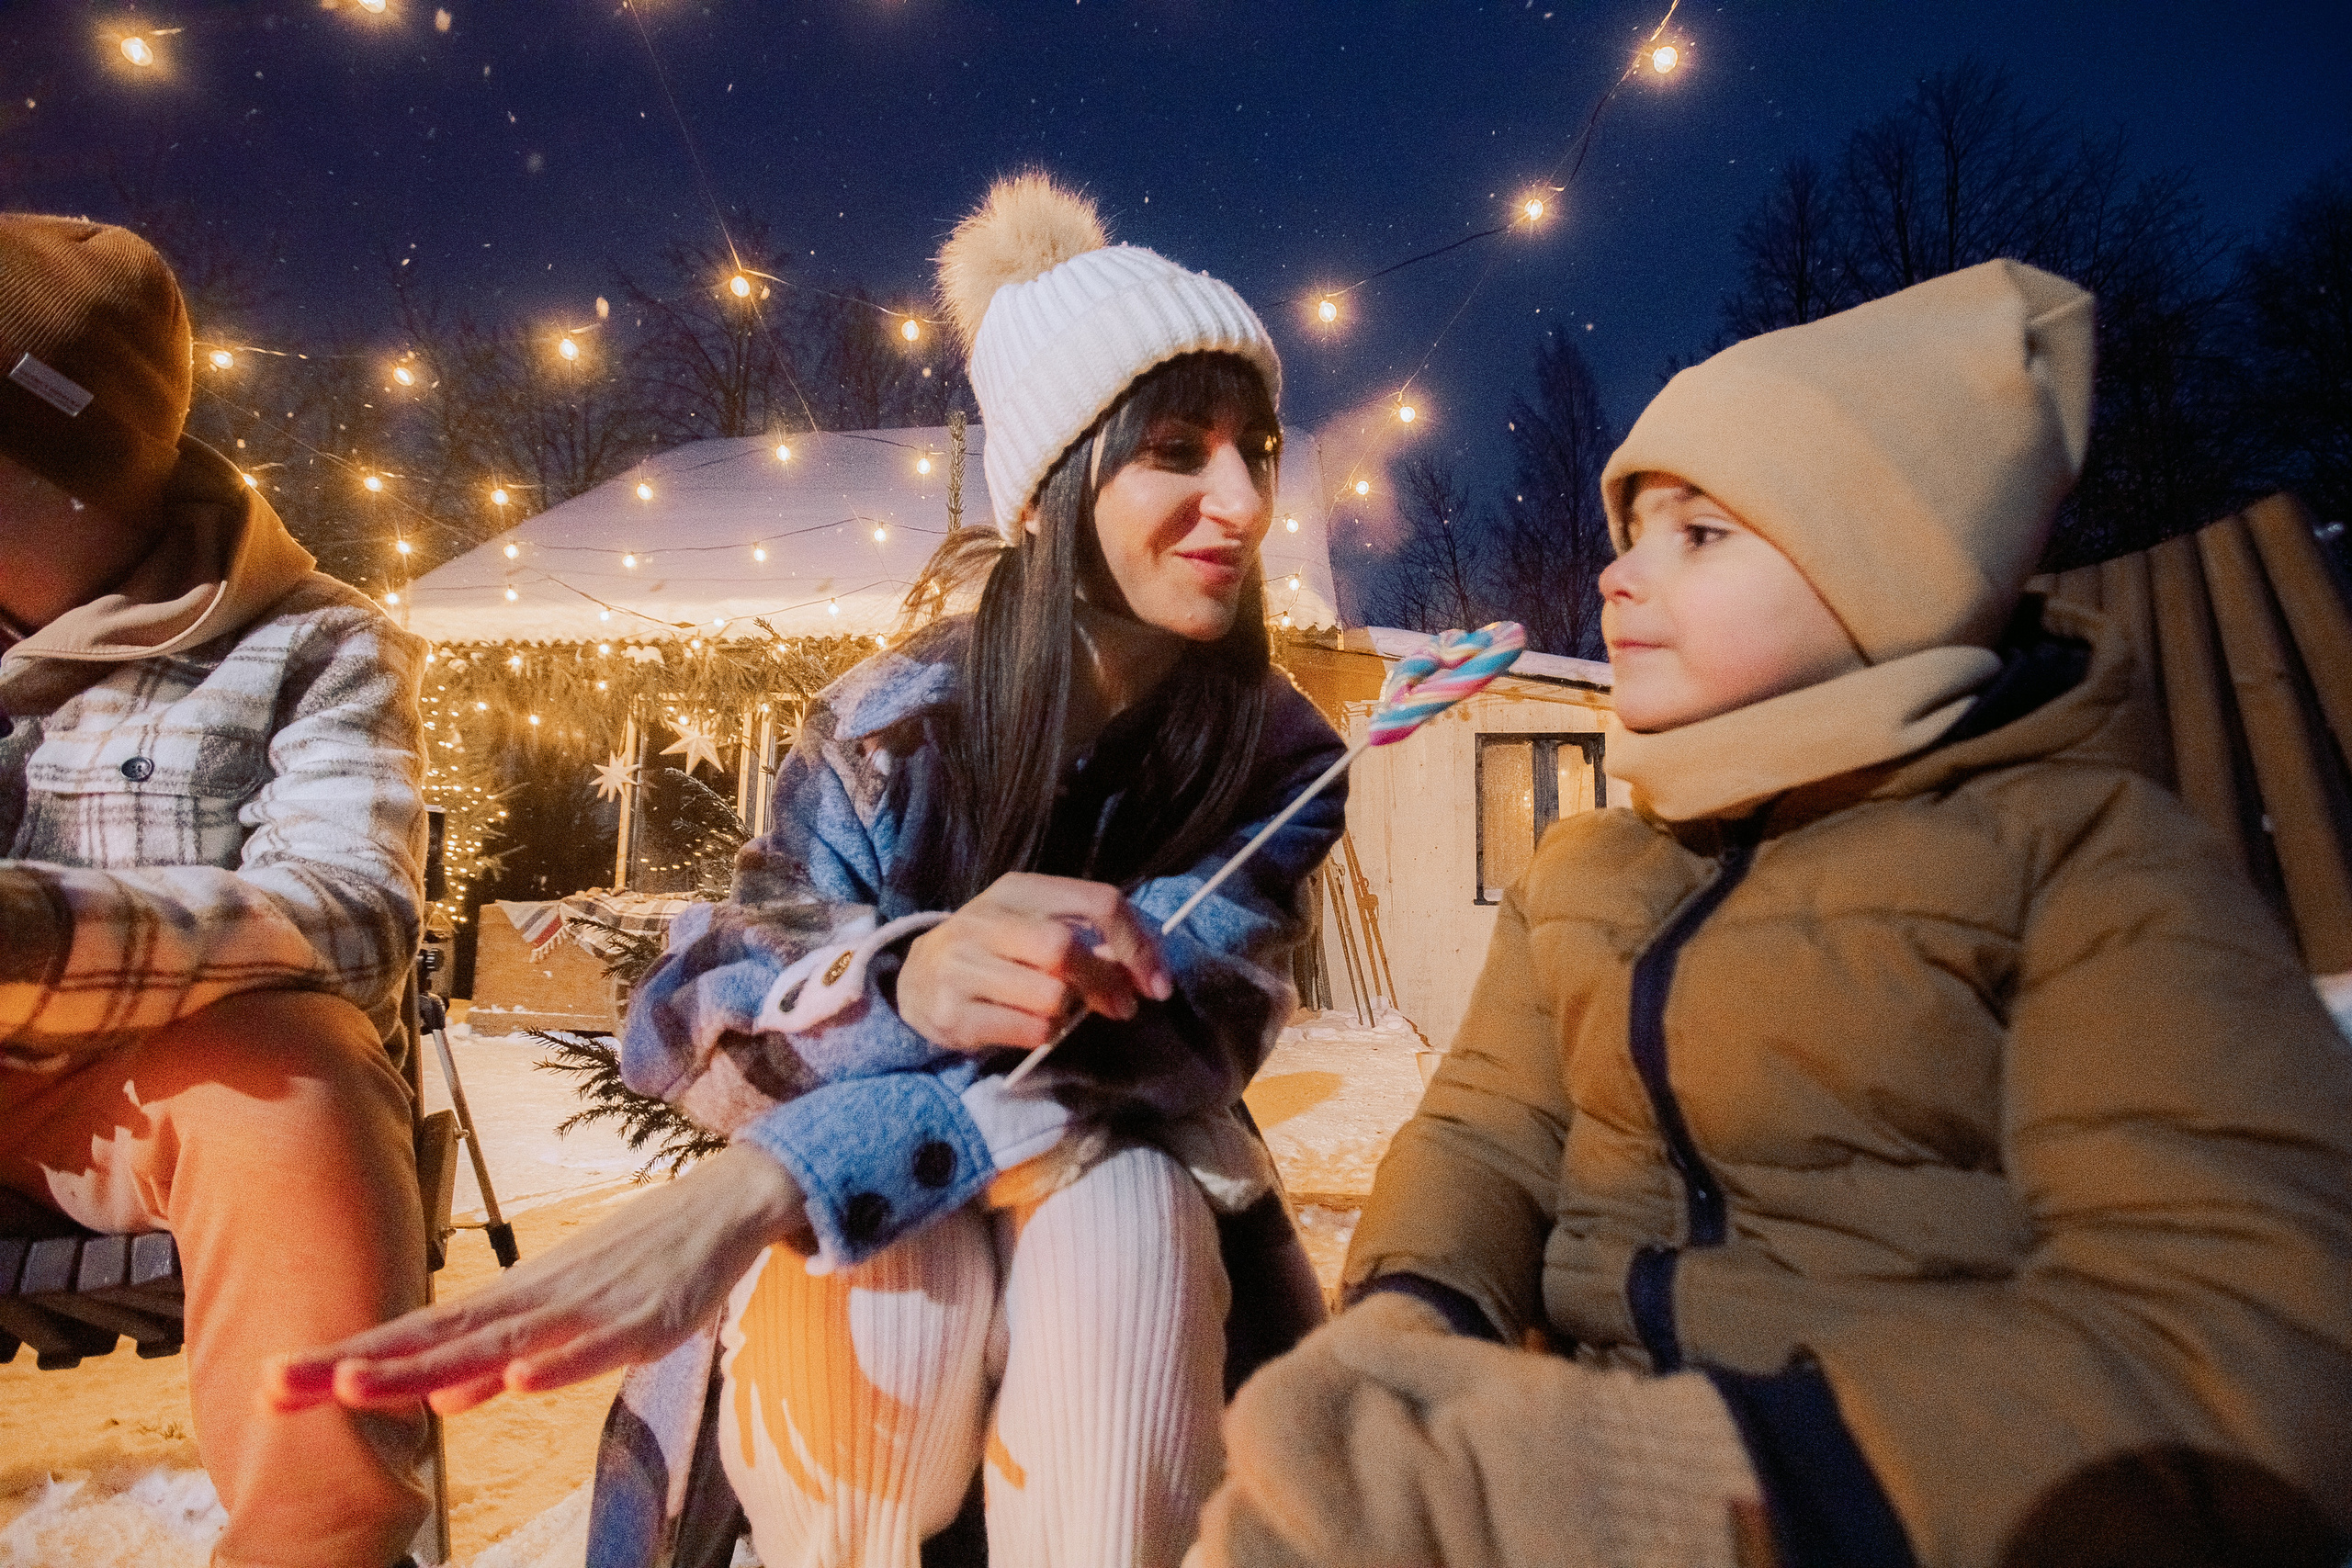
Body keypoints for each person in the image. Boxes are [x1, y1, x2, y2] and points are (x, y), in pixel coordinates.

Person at [1190, 260, 2352, 1568]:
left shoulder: (2087, 862)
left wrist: (1697, 1479)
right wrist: (1412, 1315)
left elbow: (2250, 1337)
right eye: (1630, 536)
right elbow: (1487, 1136)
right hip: (1567, 1440)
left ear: (1886, 579)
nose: (1620, 580)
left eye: (1702, 535)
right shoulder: (1589, 871)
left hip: (1882, 1508)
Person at [274, 174, 1345, 1567]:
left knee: (1127, 1203)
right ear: (1056, 484)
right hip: (879, 1329)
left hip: (1122, 1230)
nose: (1244, 503)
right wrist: (907, 974)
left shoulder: (1275, 757)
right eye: (1180, 452)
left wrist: (780, 1176)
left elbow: (1175, 1054)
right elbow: (689, 1011)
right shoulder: (891, 722)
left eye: (1254, 449)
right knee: (898, 1255)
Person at [0, 215, 433, 1566]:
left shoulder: (310, 642)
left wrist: (43, 934)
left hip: (144, 1088)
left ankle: (319, 1542)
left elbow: (354, 913)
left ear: (59, 469)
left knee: (291, 1064)